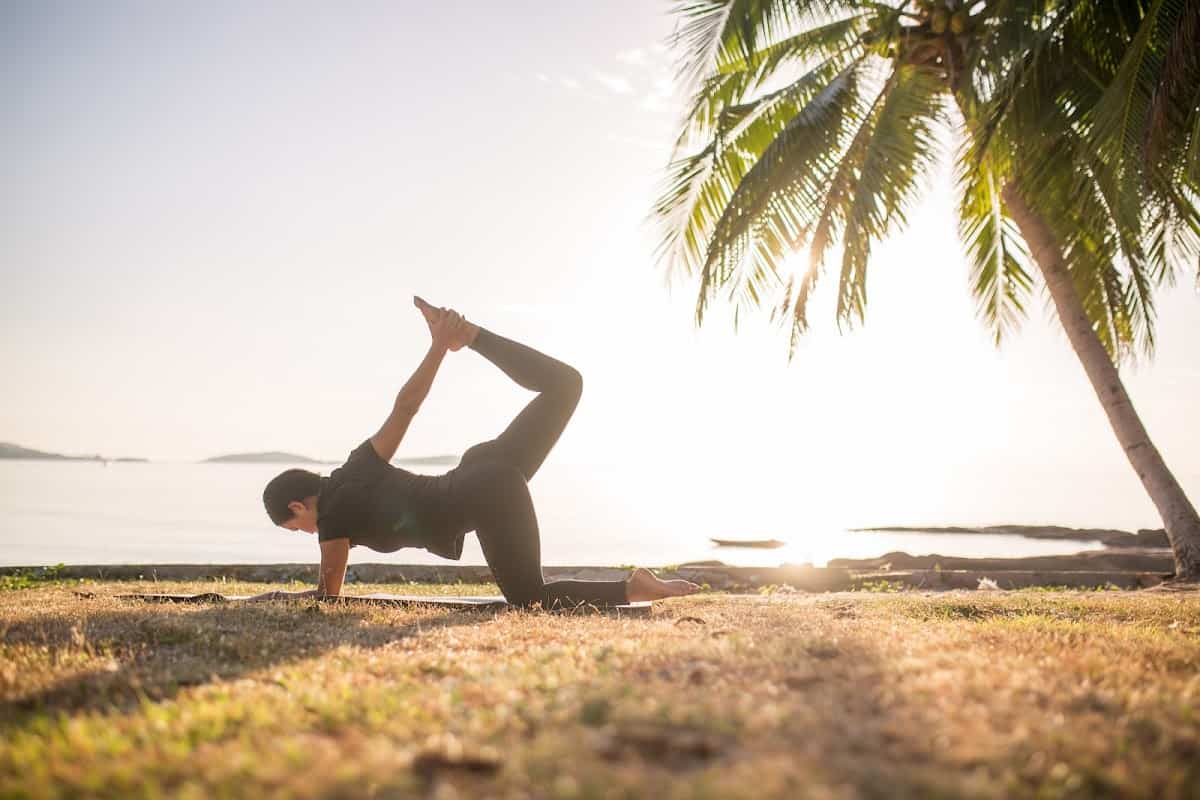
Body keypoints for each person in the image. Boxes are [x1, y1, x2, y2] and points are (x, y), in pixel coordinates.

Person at [259, 296, 699, 608]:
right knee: (567, 385)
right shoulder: (357, 465)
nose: (308, 535)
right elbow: (405, 410)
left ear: (298, 505)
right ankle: (470, 336)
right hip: (482, 465)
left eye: (296, 527)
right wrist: (443, 346)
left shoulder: (332, 516)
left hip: (484, 492)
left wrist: (274, 596)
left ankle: (633, 588)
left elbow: (327, 596)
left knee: (530, 598)